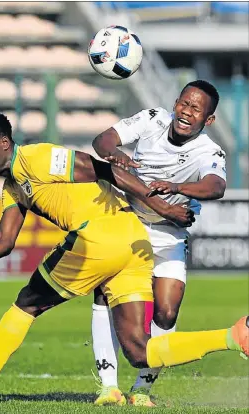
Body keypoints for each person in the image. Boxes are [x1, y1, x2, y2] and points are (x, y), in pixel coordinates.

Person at [0, 111, 247, 406]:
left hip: (99, 236)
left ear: (3, 143)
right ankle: (233, 337)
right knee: (139, 350)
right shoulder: (14, 186)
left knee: (26, 303)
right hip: (132, 241)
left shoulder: (36, 158)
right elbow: (4, 241)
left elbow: (103, 169)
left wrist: (163, 209)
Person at [91, 80, 232, 406]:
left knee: (167, 312)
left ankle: (142, 388)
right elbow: (104, 140)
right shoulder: (152, 118)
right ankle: (108, 387)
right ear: (175, 102)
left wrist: (177, 187)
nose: (186, 112)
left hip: (169, 231)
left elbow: (215, 186)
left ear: (207, 120)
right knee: (104, 294)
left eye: (196, 109)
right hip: (128, 222)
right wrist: (115, 155)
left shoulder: (209, 151)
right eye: (184, 103)